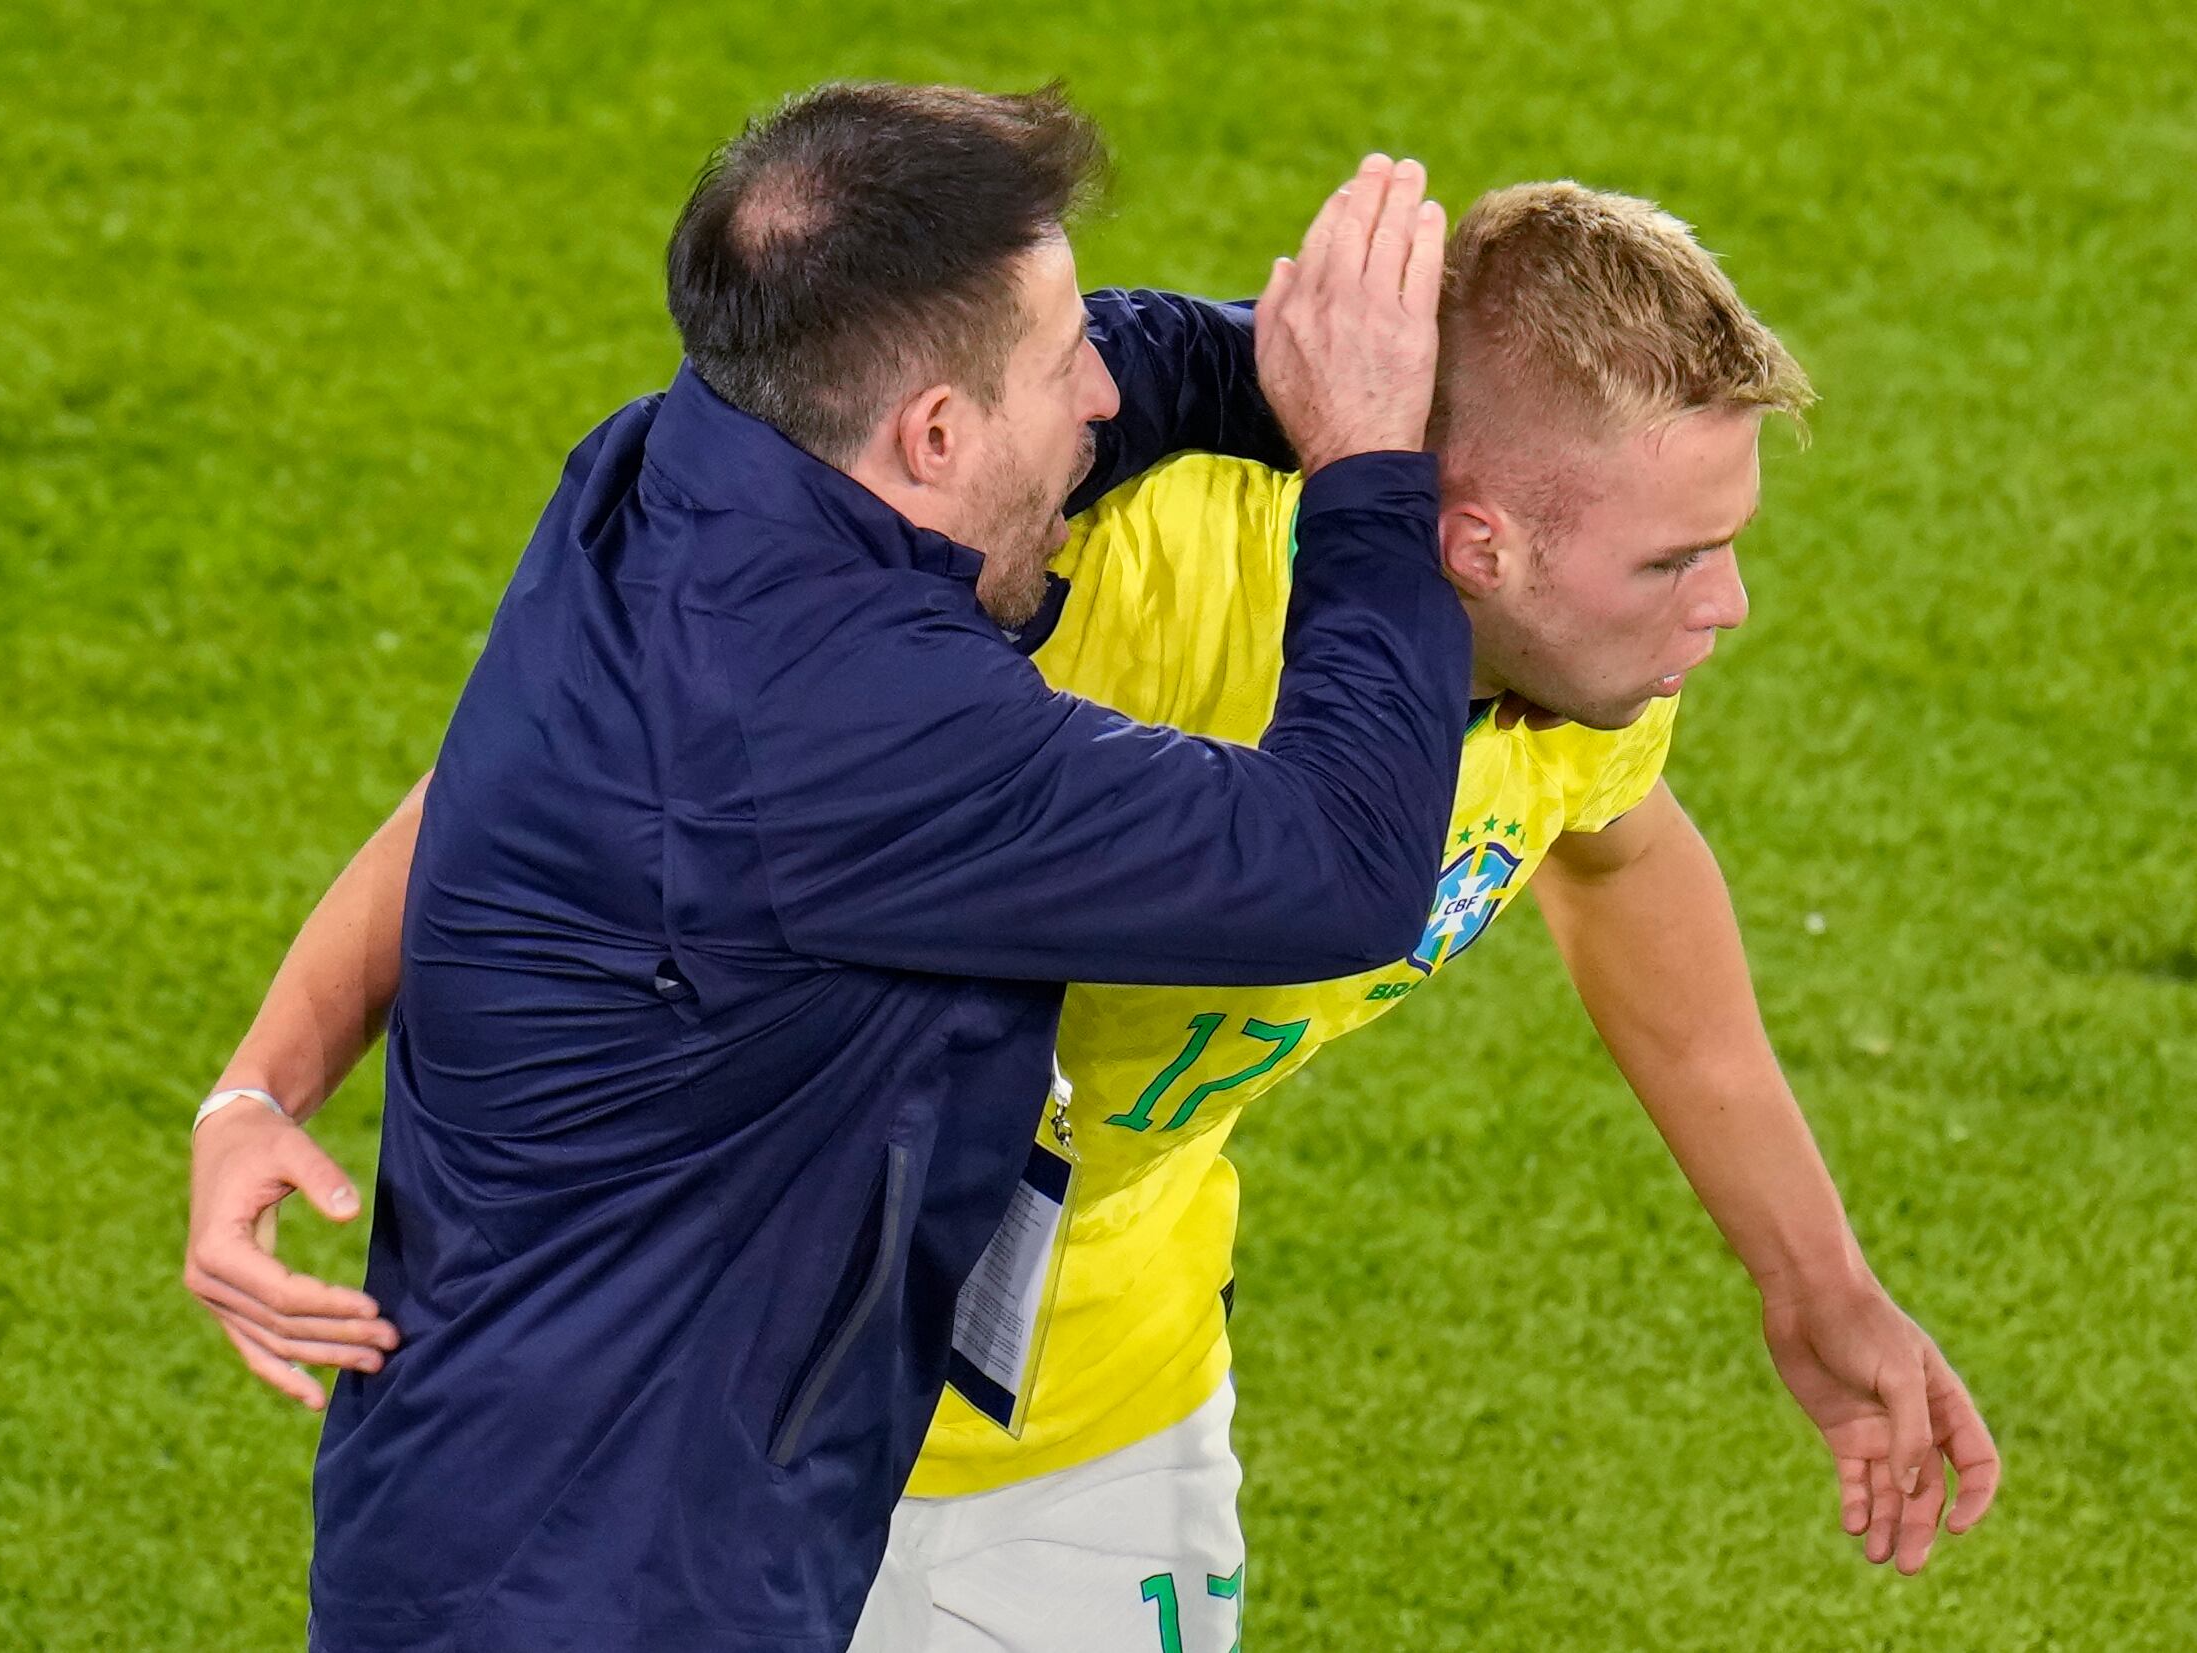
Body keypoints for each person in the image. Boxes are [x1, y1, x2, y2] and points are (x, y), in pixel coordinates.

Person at [191, 180, 2000, 1651]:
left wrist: (1812, 1277)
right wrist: (261, 1080)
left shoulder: (1586, 669)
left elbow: (1620, 854)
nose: (1730, 608)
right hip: (719, 1413)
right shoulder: (1108, 567)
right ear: (1473, 546)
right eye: (1679, 559)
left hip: (1092, 1424)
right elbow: (557, 791)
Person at [212, 79, 1476, 1653]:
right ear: (931, 433)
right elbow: (1339, 862)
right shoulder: (847, 730)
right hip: (606, 1598)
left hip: (524, 1521)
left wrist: (254, 1086)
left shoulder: (690, 454)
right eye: (1059, 354)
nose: (1102, 393)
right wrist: (1367, 471)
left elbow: (1111, 383)